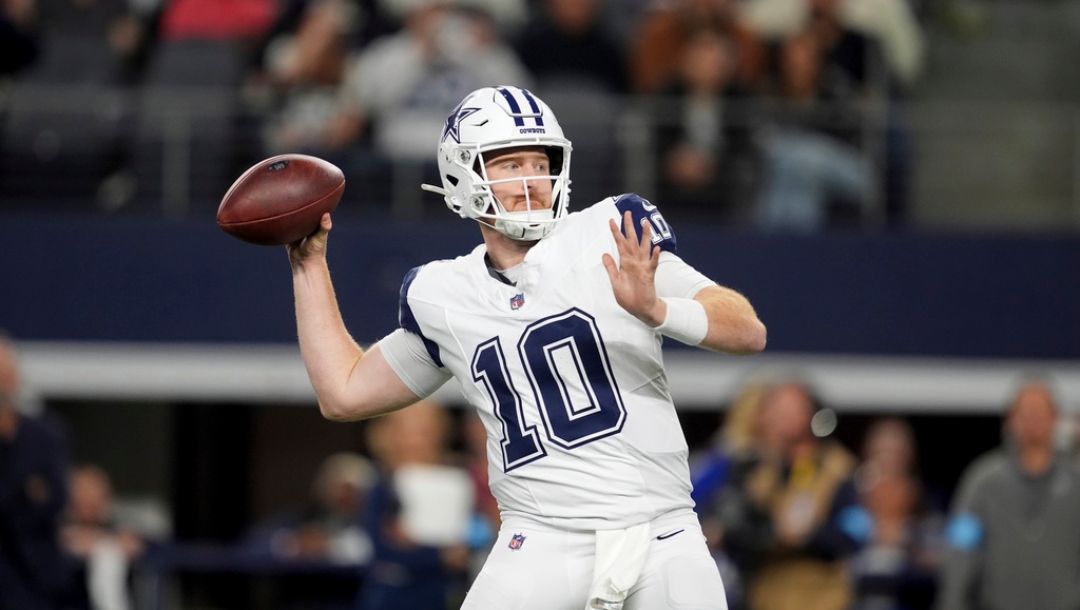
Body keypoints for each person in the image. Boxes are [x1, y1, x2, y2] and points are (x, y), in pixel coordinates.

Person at [286, 85, 767, 609]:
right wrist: (308, 265)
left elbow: (747, 330)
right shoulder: (444, 293)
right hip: (539, 538)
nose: (532, 180)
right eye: (510, 164)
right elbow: (344, 392)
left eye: (541, 162)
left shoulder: (610, 234)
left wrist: (658, 310)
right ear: (461, 176)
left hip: (659, 530)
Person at [934, 380, 1080, 610]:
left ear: (1055, 418)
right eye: (1027, 413)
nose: (1034, 421)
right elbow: (960, 548)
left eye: (1041, 413)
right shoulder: (983, 482)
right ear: (1011, 420)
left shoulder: (1076, 481)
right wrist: (952, 602)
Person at [715, 381, 860, 610]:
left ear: (810, 413)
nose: (777, 417)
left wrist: (808, 535)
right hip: (764, 597)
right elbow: (730, 530)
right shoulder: (755, 468)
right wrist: (772, 534)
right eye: (773, 409)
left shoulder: (837, 469)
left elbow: (854, 534)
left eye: (787, 410)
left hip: (820, 598)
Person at [0, 332, 71, 610]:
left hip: (35, 579)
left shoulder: (46, 434)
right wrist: (26, 492)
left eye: (8, 374)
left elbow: (55, 497)